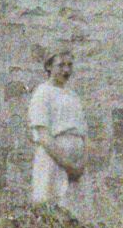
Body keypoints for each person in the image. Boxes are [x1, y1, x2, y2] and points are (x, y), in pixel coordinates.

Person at [27, 47, 89, 209]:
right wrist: (67, 164)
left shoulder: (72, 96)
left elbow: (83, 133)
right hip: (54, 160)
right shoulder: (42, 93)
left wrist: (81, 163)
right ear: (49, 67)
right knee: (53, 207)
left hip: (75, 163)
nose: (66, 70)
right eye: (61, 65)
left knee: (76, 210)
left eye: (69, 65)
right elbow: (43, 136)